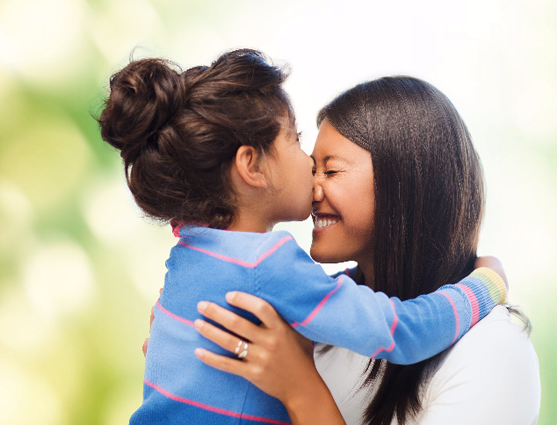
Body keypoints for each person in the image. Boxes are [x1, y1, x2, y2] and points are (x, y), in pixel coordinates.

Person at [98, 50, 507, 425]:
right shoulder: (268, 262)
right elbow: (403, 331)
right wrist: (486, 284)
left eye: (332, 169)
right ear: (251, 166)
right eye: (295, 140)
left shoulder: (190, 250)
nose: (311, 170)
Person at [194, 76, 541, 424]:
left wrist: (300, 388)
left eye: (331, 170)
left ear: (405, 183)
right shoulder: (314, 326)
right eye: (313, 169)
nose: (311, 189)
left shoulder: (494, 350)